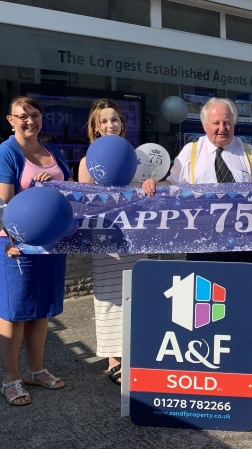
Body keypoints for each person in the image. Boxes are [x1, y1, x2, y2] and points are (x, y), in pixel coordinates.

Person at [0, 97, 73, 406]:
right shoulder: (4, 154)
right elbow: (3, 207)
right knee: (13, 312)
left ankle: (36, 370)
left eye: (34, 115)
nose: (29, 121)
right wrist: (11, 242)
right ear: (11, 120)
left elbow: (69, 190)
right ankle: (10, 380)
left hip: (50, 244)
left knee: (41, 310)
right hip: (16, 246)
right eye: (22, 116)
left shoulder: (53, 153)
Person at [142, 97, 252, 263]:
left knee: (239, 287)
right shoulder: (190, 152)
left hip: (241, 243)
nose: (222, 128)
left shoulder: (251, 153)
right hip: (200, 242)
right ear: (205, 126)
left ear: (233, 124)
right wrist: (155, 184)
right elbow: (173, 184)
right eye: (216, 123)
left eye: (227, 122)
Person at [78, 99, 147, 385]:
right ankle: (114, 360)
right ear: (95, 128)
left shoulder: (136, 158)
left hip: (135, 239)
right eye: (104, 121)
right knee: (109, 298)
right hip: (105, 240)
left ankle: (136, 353)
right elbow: (83, 202)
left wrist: (150, 186)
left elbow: (151, 191)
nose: (110, 125)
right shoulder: (87, 162)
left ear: (122, 125)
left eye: (115, 120)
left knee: (138, 294)